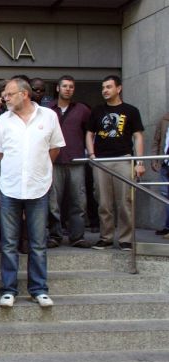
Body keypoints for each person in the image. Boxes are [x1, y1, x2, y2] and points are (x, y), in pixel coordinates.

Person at [0, 78, 65, 308]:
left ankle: (39, 289)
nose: (6, 98)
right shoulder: (3, 121)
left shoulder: (49, 116)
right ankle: (8, 289)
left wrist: (38, 168)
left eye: (10, 94)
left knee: (37, 242)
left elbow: (54, 149)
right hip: (10, 188)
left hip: (38, 187)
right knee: (9, 243)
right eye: (5, 95)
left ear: (24, 94)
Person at [86, 75, 145, 251]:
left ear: (118, 89)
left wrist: (139, 161)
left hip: (124, 159)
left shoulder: (131, 110)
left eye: (109, 87)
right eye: (103, 87)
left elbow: (138, 136)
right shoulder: (97, 111)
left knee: (125, 200)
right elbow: (89, 133)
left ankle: (126, 239)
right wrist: (92, 154)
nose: (105, 90)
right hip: (101, 161)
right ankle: (106, 237)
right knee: (103, 202)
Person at [48, 76, 92, 248]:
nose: (68, 89)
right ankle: (55, 236)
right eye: (64, 86)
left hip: (76, 160)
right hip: (53, 160)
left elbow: (90, 132)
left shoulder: (82, 110)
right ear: (58, 88)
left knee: (79, 201)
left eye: (71, 87)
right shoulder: (47, 110)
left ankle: (77, 236)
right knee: (53, 202)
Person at [151, 110, 169, 238]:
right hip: (165, 162)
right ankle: (167, 226)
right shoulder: (164, 120)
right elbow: (156, 140)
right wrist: (154, 159)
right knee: (165, 195)